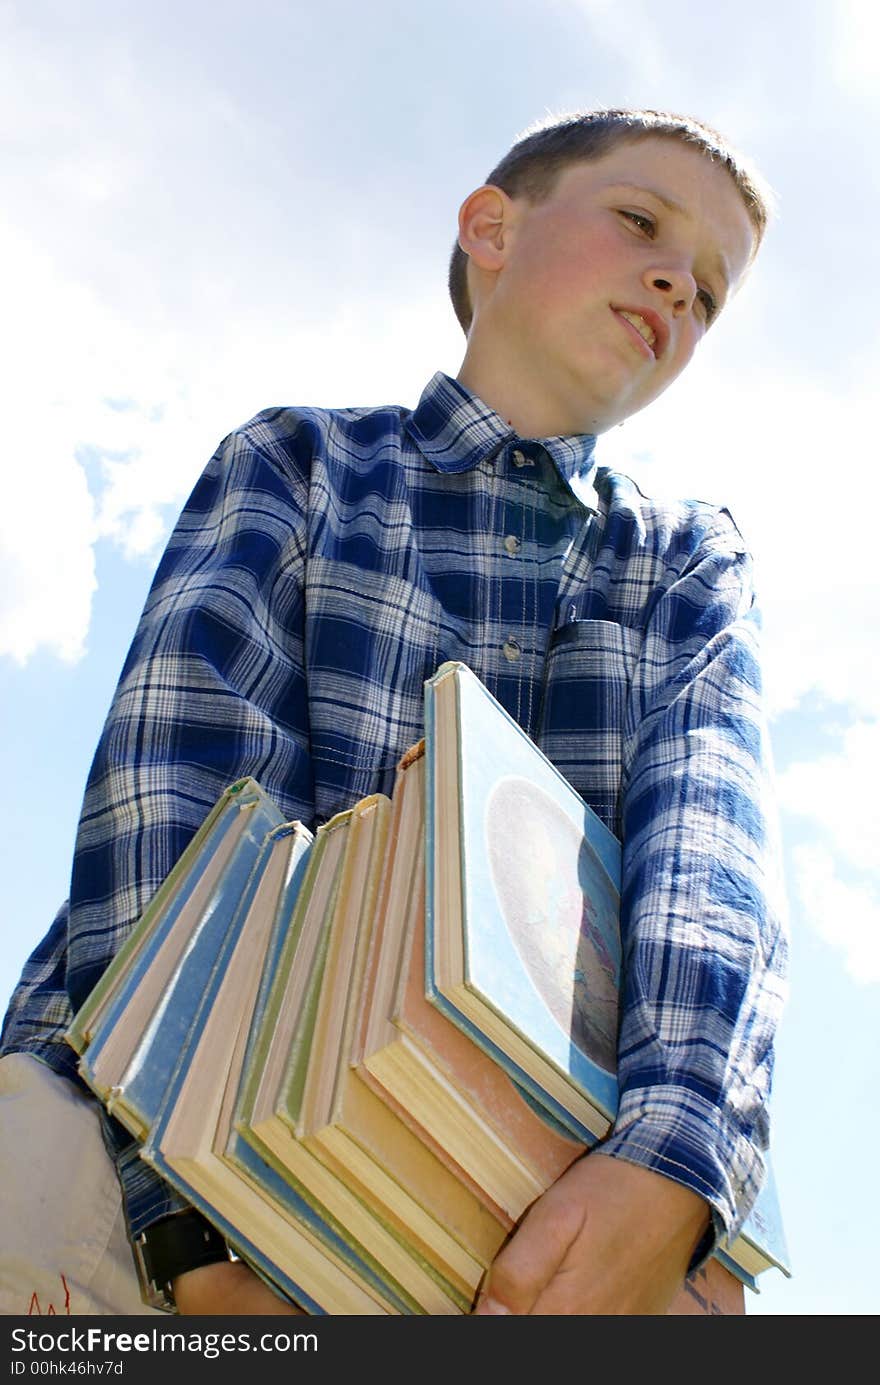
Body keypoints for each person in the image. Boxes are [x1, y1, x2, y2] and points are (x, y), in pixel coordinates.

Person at [0, 107, 789, 1317]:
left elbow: (713, 865)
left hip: (524, 1197)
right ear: (490, 228)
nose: (681, 284)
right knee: (22, 1177)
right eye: (642, 222)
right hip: (155, 1143)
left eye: (712, 296)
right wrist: (198, 1225)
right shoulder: (300, 465)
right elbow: (173, 788)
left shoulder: (683, 566)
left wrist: (674, 1167)